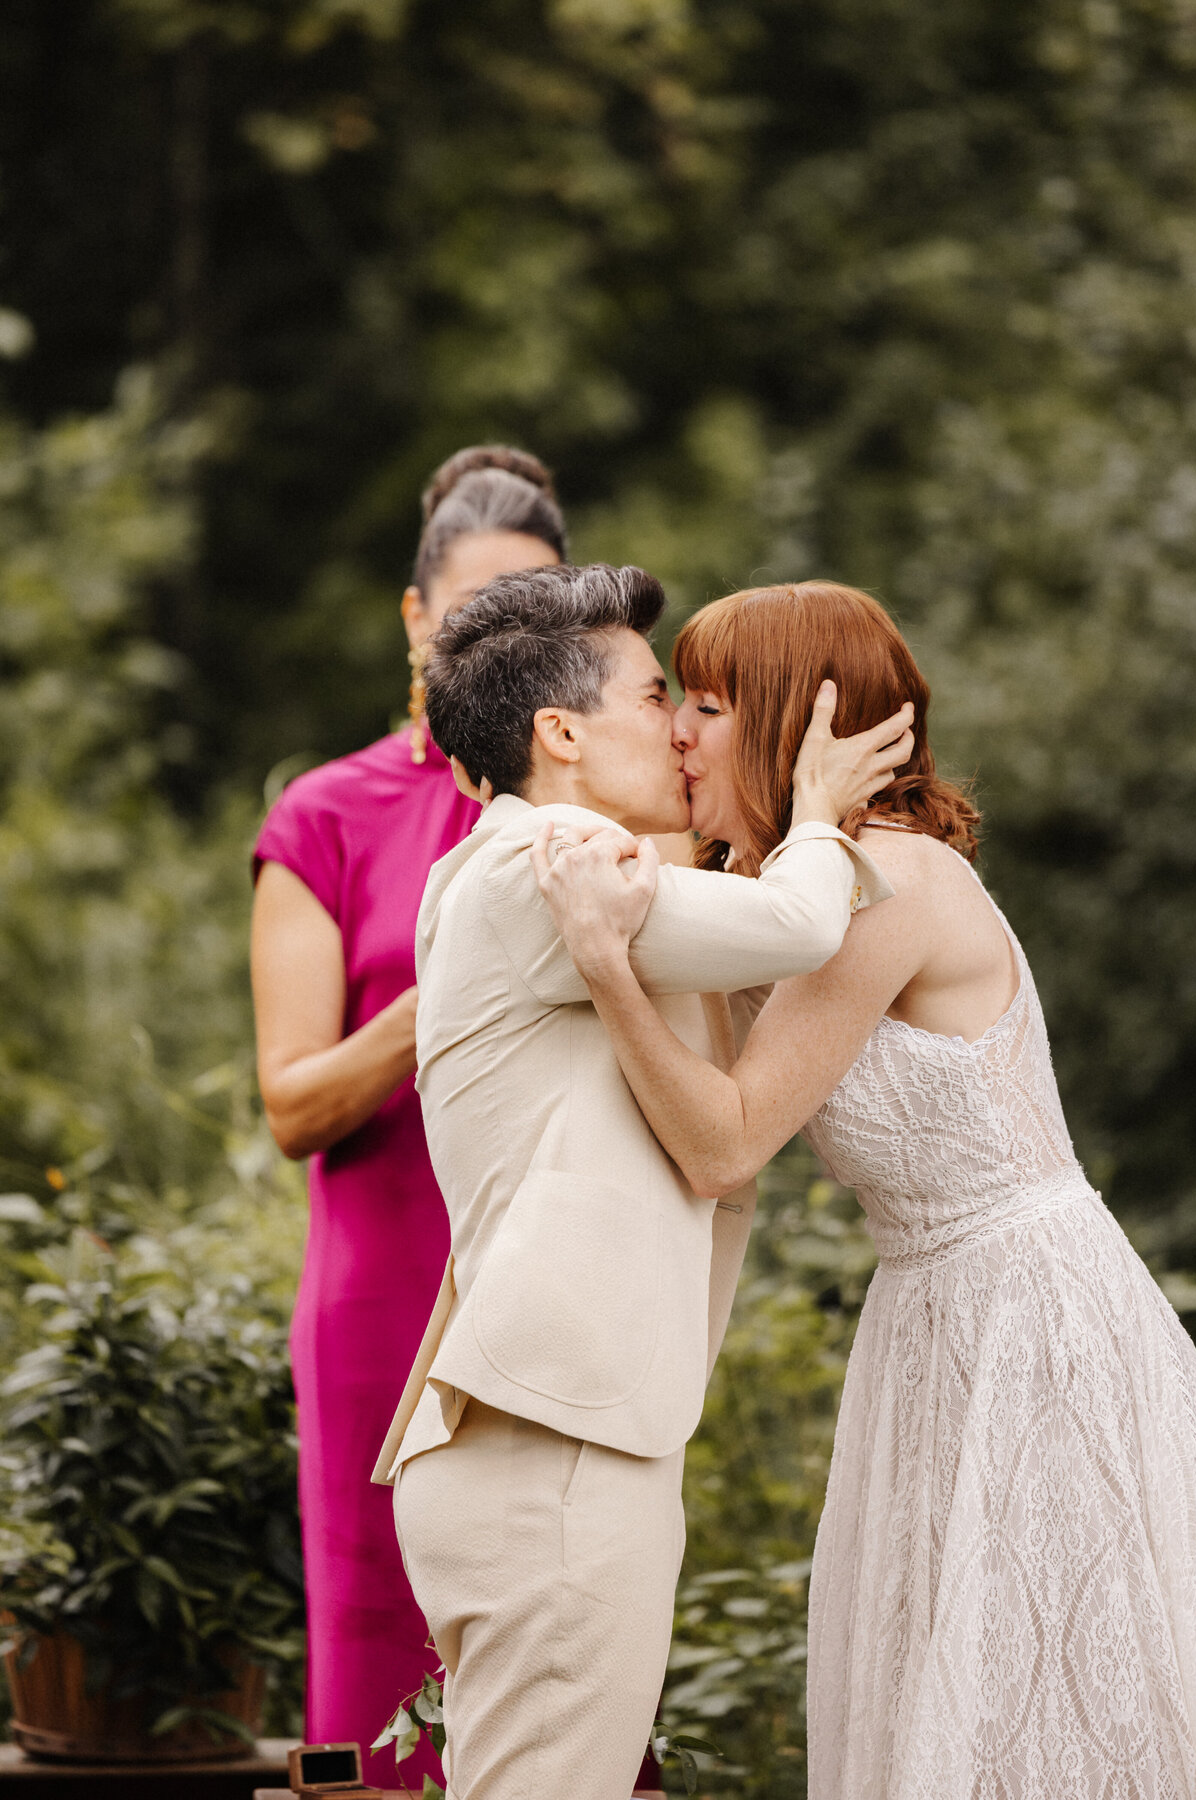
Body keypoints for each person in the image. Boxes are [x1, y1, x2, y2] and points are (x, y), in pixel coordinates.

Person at [534, 580, 1196, 1800]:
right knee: (931, 1684)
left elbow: (727, 1144)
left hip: (1029, 1318)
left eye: (713, 704)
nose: (679, 729)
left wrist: (605, 970)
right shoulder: (784, 886)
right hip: (929, 1314)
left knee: (1031, 1699)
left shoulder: (889, 880)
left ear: (796, 721)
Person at [370, 562, 914, 1800]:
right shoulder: (549, 862)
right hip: (551, 1451)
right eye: (654, 694)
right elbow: (799, 927)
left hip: (543, 1443)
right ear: (559, 733)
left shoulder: (513, 867)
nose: (678, 727)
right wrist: (822, 809)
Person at [249, 445, 568, 1786]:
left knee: (563, 1662)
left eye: (540, 617)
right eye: (478, 608)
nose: (505, 641)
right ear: (414, 617)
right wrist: (449, 986)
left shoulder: (590, 815)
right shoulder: (325, 815)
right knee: (382, 1691)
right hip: (383, 1301)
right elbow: (292, 1103)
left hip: (558, 1291)